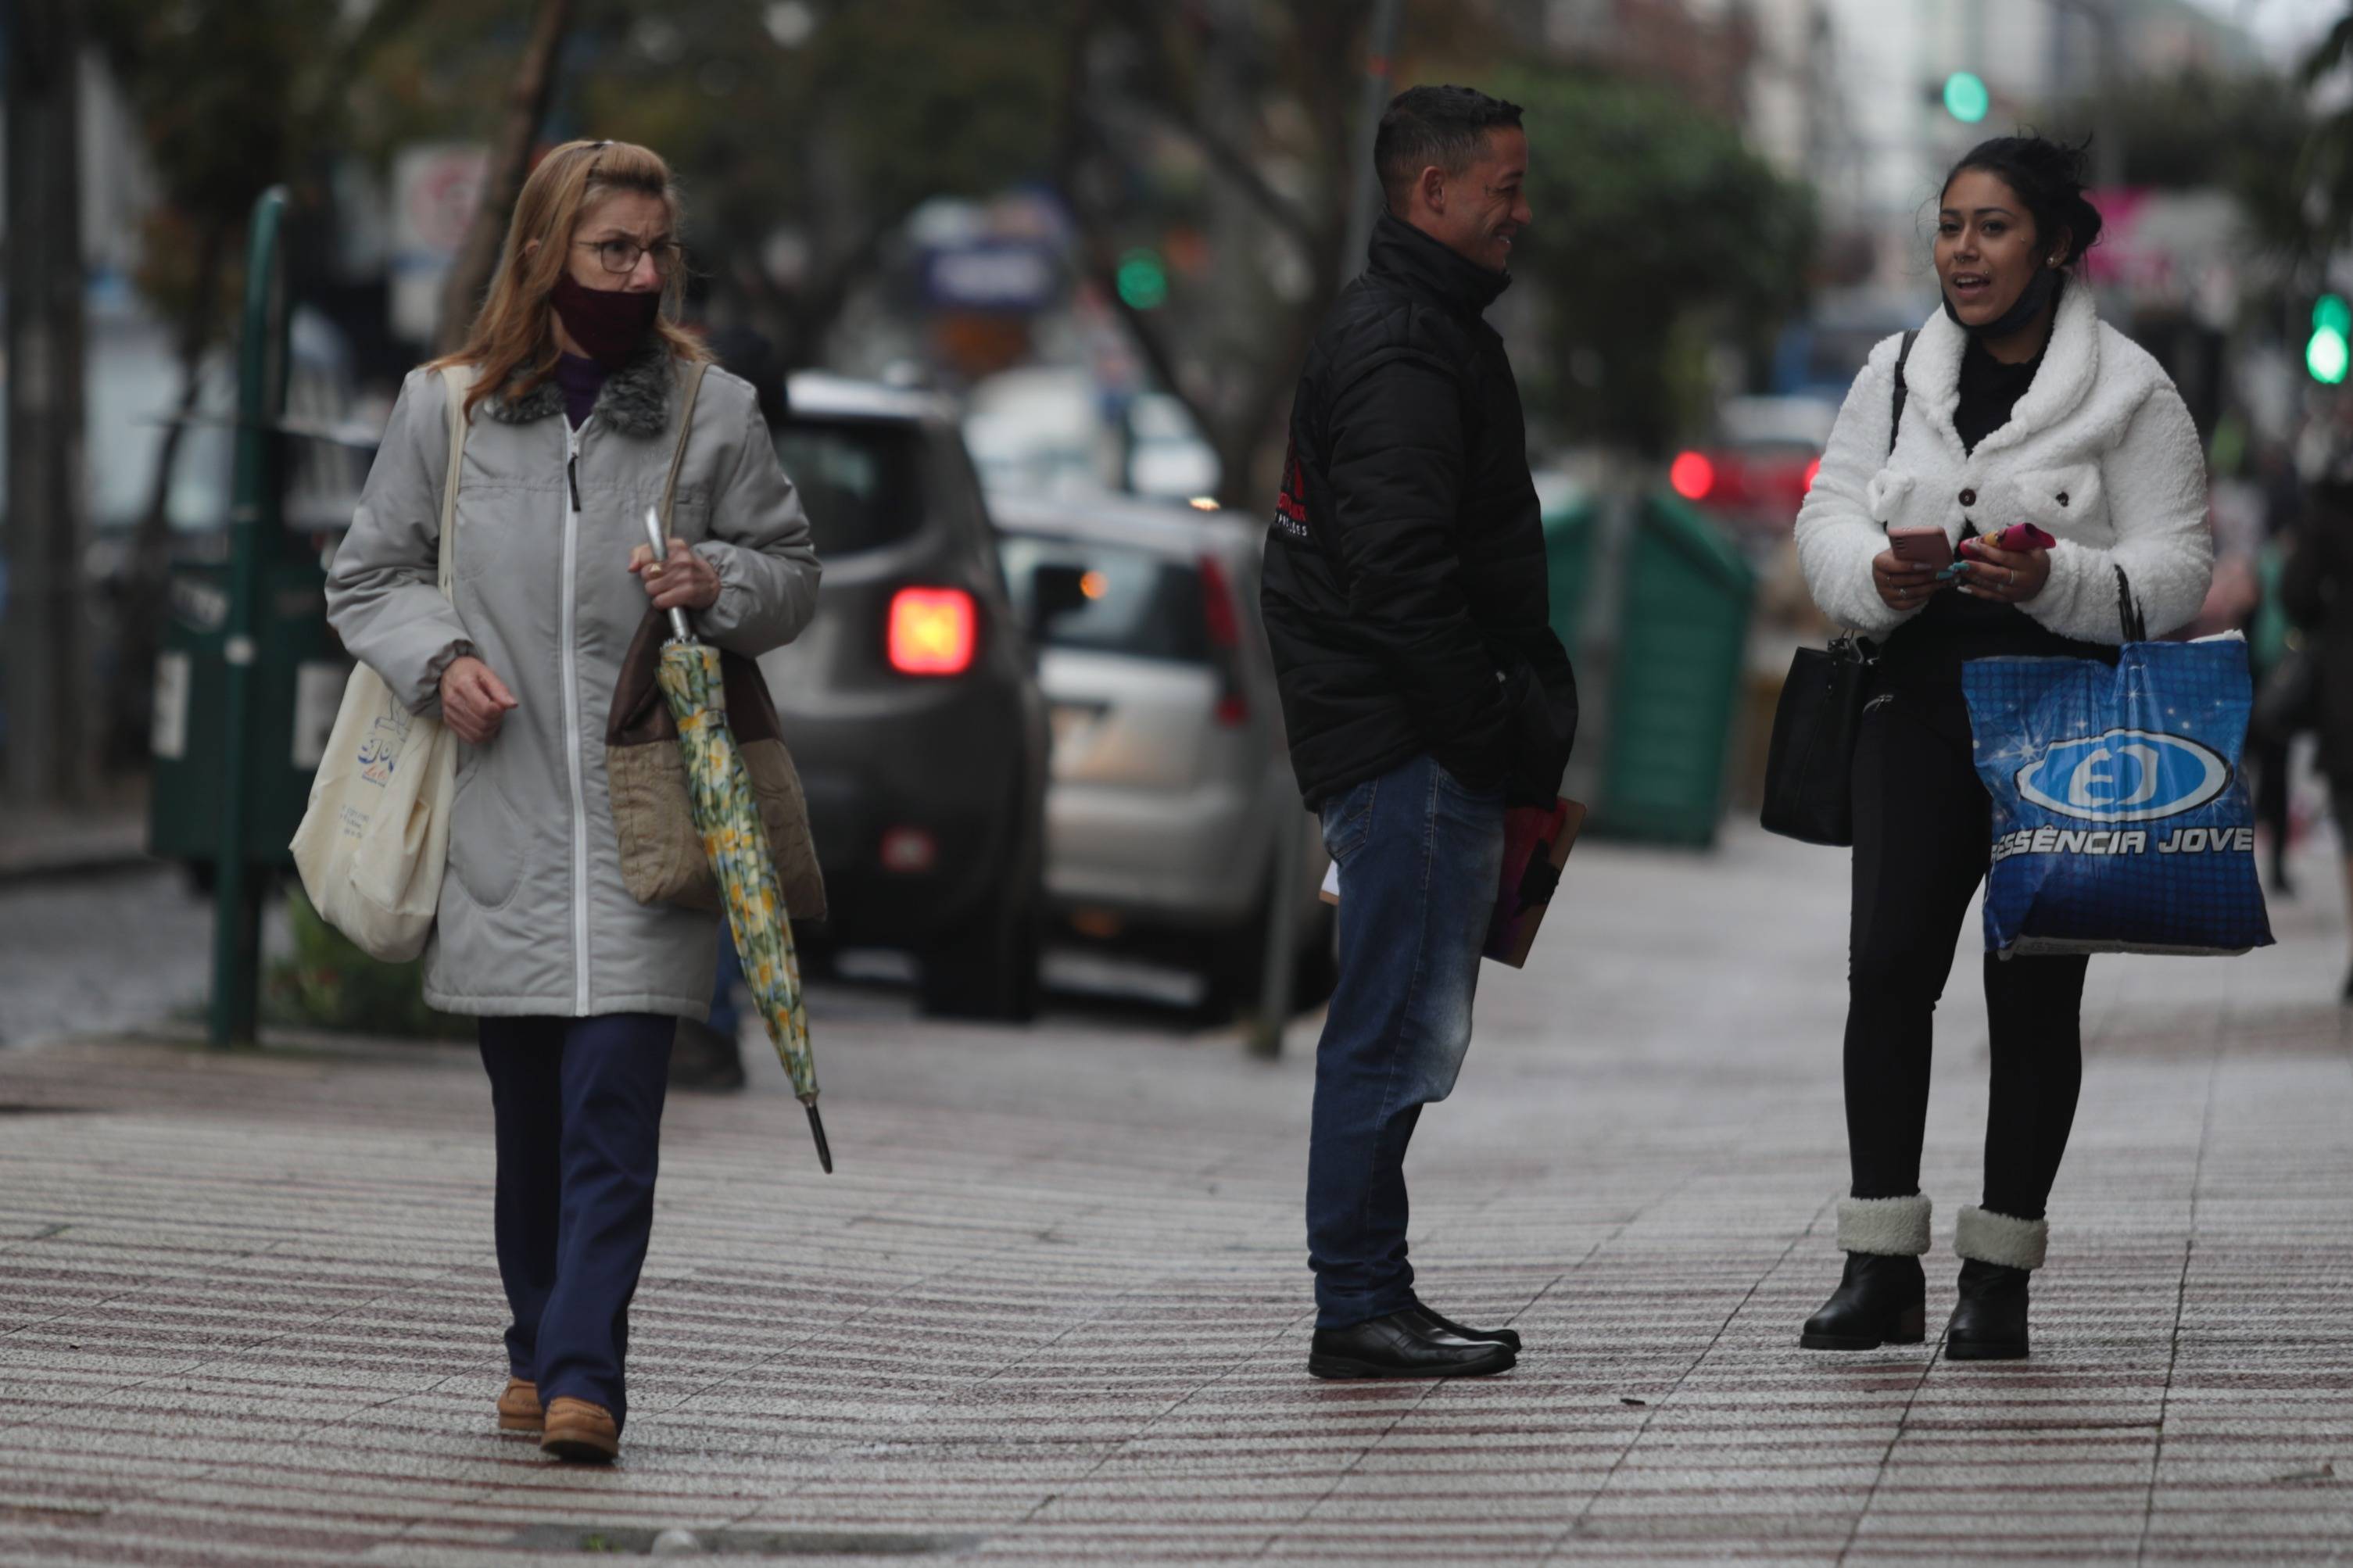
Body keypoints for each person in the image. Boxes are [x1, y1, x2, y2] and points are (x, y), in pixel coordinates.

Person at [326, 140, 820, 1459]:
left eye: (658, 249)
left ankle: (587, 1369)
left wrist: (716, 577)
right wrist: (443, 661)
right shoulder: (449, 408)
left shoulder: (715, 409)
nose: (643, 272)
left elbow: (792, 572)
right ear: (547, 252)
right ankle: (535, 1341)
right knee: (531, 1111)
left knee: (614, 1098)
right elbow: (366, 574)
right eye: (615, 250)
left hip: (652, 812)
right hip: (499, 809)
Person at [1793, 135, 2212, 1360]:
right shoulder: (1890, 374)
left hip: (2063, 728)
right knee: (1885, 977)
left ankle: (1999, 1276)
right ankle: (1878, 1266)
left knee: (2029, 1001)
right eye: (1948, 227)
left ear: (2056, 246)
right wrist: (1872, 573)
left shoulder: (2129, 391)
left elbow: (2177, 567)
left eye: (1991, 229)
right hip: (1911, 712)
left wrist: (2053, 576)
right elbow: (1828, 507)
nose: (1961, 254)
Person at [1260, 84, 1577, 1380]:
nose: (1520, 210)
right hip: (1409, 749)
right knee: (1390, 1029)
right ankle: (1357, 1304)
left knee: (1399, 1025)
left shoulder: (1422, 327)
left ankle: (1373, 1290)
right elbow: (1399, 577)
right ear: (1430, 192)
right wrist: (1485, 729)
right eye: (1501, 187)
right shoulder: (1402, 345)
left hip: (1407, 740)